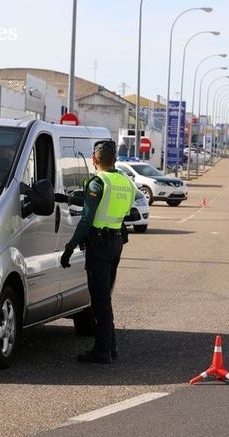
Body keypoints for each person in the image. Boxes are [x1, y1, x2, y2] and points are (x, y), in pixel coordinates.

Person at [60, 139, 138, 364]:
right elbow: (117, 208)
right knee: (105, 296)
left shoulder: (97, 182)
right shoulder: (126, 182)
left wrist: (69, 248)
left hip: (99, 245)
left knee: (99, 298)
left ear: (94, 159)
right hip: (116, 242)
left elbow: (86, 220)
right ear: (115, 159)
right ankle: (111, 347)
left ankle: (102, 350)